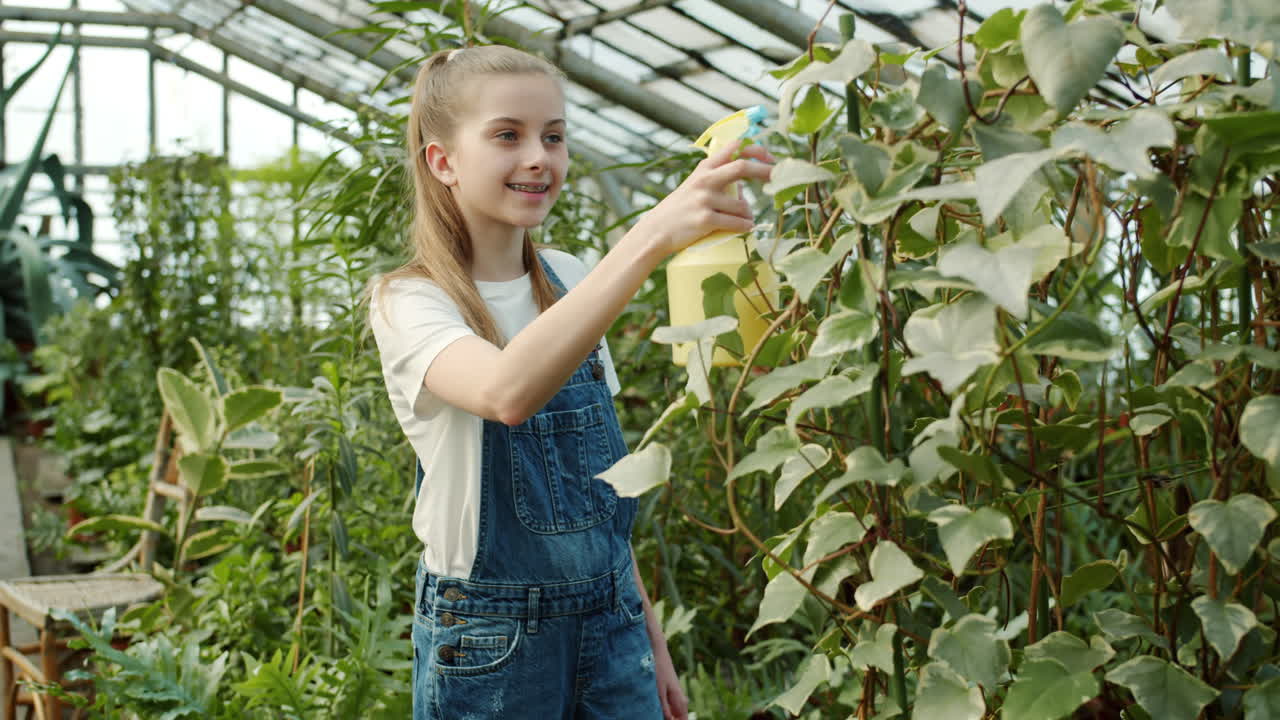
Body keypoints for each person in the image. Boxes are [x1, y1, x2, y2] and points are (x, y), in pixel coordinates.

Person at [367, 44, 773, 720]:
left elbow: (599, 495)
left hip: (612, 624)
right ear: (443, 162)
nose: (539, 157)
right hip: (494, 641)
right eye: (508, 135)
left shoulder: (571, 278)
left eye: (554, 137)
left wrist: (652, 643)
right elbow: (507, 393)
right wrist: (650, 236)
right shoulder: (411, 302)